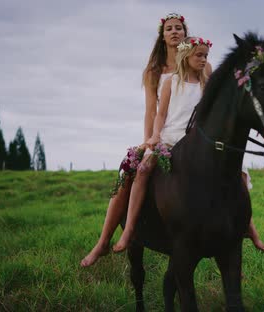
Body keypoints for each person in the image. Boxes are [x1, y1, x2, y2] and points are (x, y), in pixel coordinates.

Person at [80, 13, 191, 267]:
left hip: (192, 136)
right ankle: (104, 241)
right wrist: (149, 141)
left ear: (185, 33)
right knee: (125, 170)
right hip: (164, 135)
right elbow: (151, 111)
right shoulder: (154, 71)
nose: (174, 32)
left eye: (179, 28)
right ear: (162, 36)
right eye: (169, 28)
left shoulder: (195, 63)